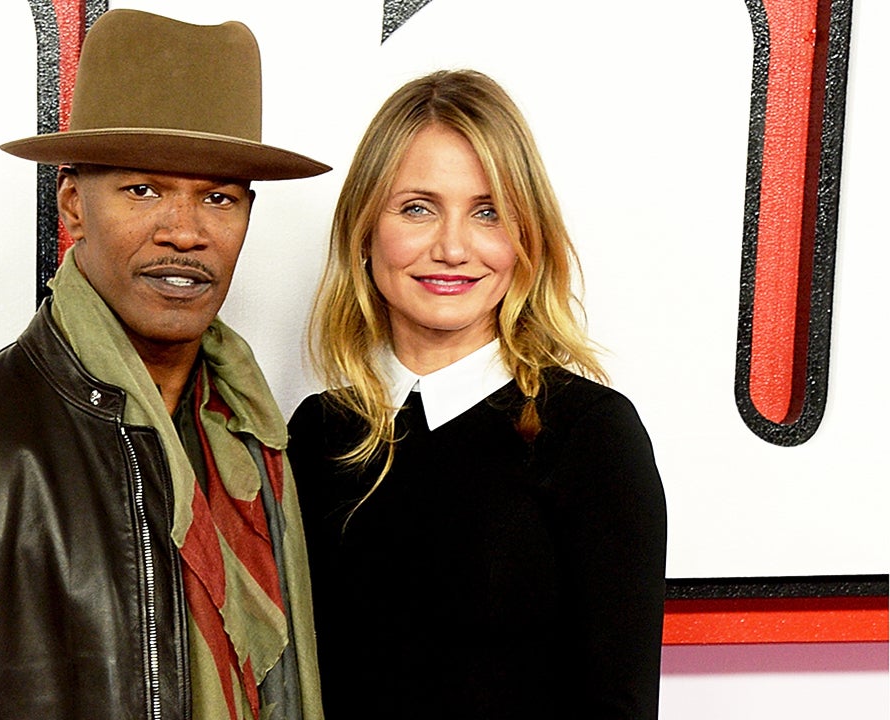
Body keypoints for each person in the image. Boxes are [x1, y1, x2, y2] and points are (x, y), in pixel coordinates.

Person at [0, 9, 330, 720]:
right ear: (73, 206)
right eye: (143, 190)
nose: (185, 232)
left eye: (217, 198)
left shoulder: (257, 440)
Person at [286, 69, 667, 718]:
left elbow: (618, 703)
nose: (453, 247)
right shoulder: (318, 432)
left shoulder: (591, 435)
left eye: (488, 212)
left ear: (526, 238)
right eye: (417, 207)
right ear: (364, 231)